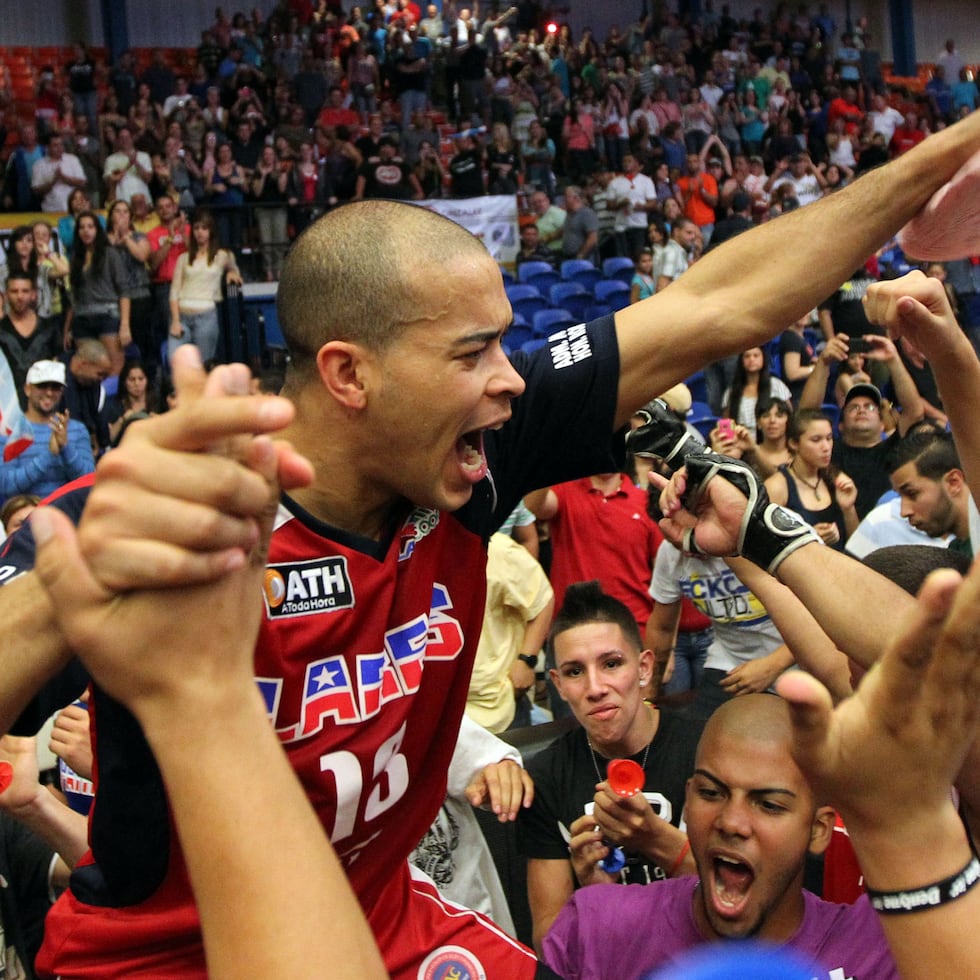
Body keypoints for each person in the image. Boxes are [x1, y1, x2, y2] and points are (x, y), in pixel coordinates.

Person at [6, 109, 980, 977]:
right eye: (471, 353)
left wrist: (933, 159)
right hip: (160, 956)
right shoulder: (176, 508)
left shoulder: (473, 456)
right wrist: (84, 578)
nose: (508, 381)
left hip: (386, 920)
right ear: (350, 373)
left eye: (504, 345)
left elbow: (719, 304)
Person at [541, 693, 896, 979]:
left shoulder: (872, 950)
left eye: (769, 805)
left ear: (818, 830)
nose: (732, 822)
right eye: (711, 793)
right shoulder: (598, 929)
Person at [517, 582, 700, 951]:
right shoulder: (545, 777)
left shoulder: (706, 749)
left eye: (611, 664)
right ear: (558, 686)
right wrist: (596, 896)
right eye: (574, 672)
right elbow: (548, 942)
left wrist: (660, 843)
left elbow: (752, 892)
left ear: (644, 668)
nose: (595, 687)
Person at [800, 335, 924, 520]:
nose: (862, 410)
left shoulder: (896, 449)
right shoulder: (830, 451)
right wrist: (824, 363)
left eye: (870, 407)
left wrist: (893, 360)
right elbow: (805, 417)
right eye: (853, 407)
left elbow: (914, 412)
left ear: (883, 423)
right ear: (840, 426)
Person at [466, 532, 553, 734]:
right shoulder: (409, 545)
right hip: (433, 710)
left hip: (496, 707)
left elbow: (542, 600)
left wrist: (526, 659)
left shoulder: (497, 548)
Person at [0, 360, 94, 502]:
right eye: (42, 386)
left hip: (67, 517)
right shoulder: (9, 432)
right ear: (27, 389)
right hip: (25, 518)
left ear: (62, 392)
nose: (49, 393)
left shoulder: (77, 430)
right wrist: (49, 455)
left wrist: (65, 447)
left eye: (55, 387)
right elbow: (7, 486)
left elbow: (88, 481)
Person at [763, 409, 859, 549]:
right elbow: (765, 548)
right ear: (794, 443)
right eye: (816, 440)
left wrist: (848, 509)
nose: (826, 447)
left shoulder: (836, 479)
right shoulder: (777, 487)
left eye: (829, 438)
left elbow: (857, 546)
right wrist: (809, 539)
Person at [887, 428, 977, 556]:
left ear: (953, 482)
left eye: (912, 494)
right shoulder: (955, 552)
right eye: (900, 495)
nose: (904, 511)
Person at [169, 210, 241, 363]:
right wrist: (175, 320)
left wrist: (231, 272)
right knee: (174, 360)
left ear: (211, 231)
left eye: (204, 228)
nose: (200, 232)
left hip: (206, 315)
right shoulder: (184, 258)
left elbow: (234, 267)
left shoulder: (222, 255)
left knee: (203, 364)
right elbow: (174, 291)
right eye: (196, 228)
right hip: (182, 315)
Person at [67, 212, 131, 375]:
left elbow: (124, 291)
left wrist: (124, 325)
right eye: (81, 227)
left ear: (97, 230)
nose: (86, 231)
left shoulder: (110, 254)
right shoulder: (75, 258)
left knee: (113, 369)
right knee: (87, 371)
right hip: (81, 318)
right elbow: (73, 298)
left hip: (107, 316)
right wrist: (68, 329)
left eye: (90, 226)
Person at [0, 271, 62, 407]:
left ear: (33, 294)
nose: (20, 296)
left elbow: (57, 366)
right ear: (6, 295)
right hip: (6, 406)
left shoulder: (50, 328)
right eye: (14, 291)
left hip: (43, 404)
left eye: (25, 291)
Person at [723, 346, 791, 429]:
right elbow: (727, 424)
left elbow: (789, 415)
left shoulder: (776, 385)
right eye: (747, 356)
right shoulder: (731, 391)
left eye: (756, 355)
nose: (751, 359)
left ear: (763, 358)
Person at [30, 133, 88, 214]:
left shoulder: (72, 159)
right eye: (55, 145)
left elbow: (82, 182)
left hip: (73, 209)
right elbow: (36, 191)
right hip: (50, 210)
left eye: (61, 144)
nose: (59, 148)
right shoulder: (39, 164)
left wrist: (64, 178)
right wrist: (53, 181)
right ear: (48, 147)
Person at [105, 358, 154, 446]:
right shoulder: (112, 405)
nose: (137, 383)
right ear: (124, 382)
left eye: (141, 379)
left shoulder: (157, 402)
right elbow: (108, 439)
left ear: (147, 380)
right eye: (132, 379)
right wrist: (122, 420)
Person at [560, 185, 599, 265]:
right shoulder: (570, 214)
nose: (564, 199)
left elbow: (593, 238)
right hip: (569, 257)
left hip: (584, 258)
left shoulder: (586, 213)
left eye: (567, 196)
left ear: (576, 198)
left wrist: (581, 255)